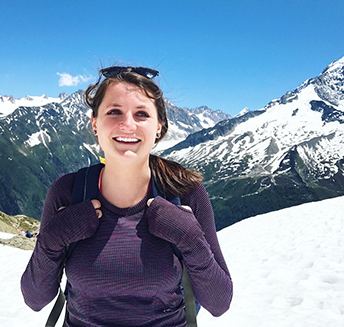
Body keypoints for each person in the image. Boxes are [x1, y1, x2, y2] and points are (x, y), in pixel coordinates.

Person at [21, 66, 233, 326]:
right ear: (95, 123)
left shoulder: (185, 193)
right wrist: (50, 241)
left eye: (142, 114)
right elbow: (35, 299)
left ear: (159, 126)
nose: (128, 125)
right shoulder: (67, 192)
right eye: (114, 112)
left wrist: (191, 239)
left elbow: (219, 303)